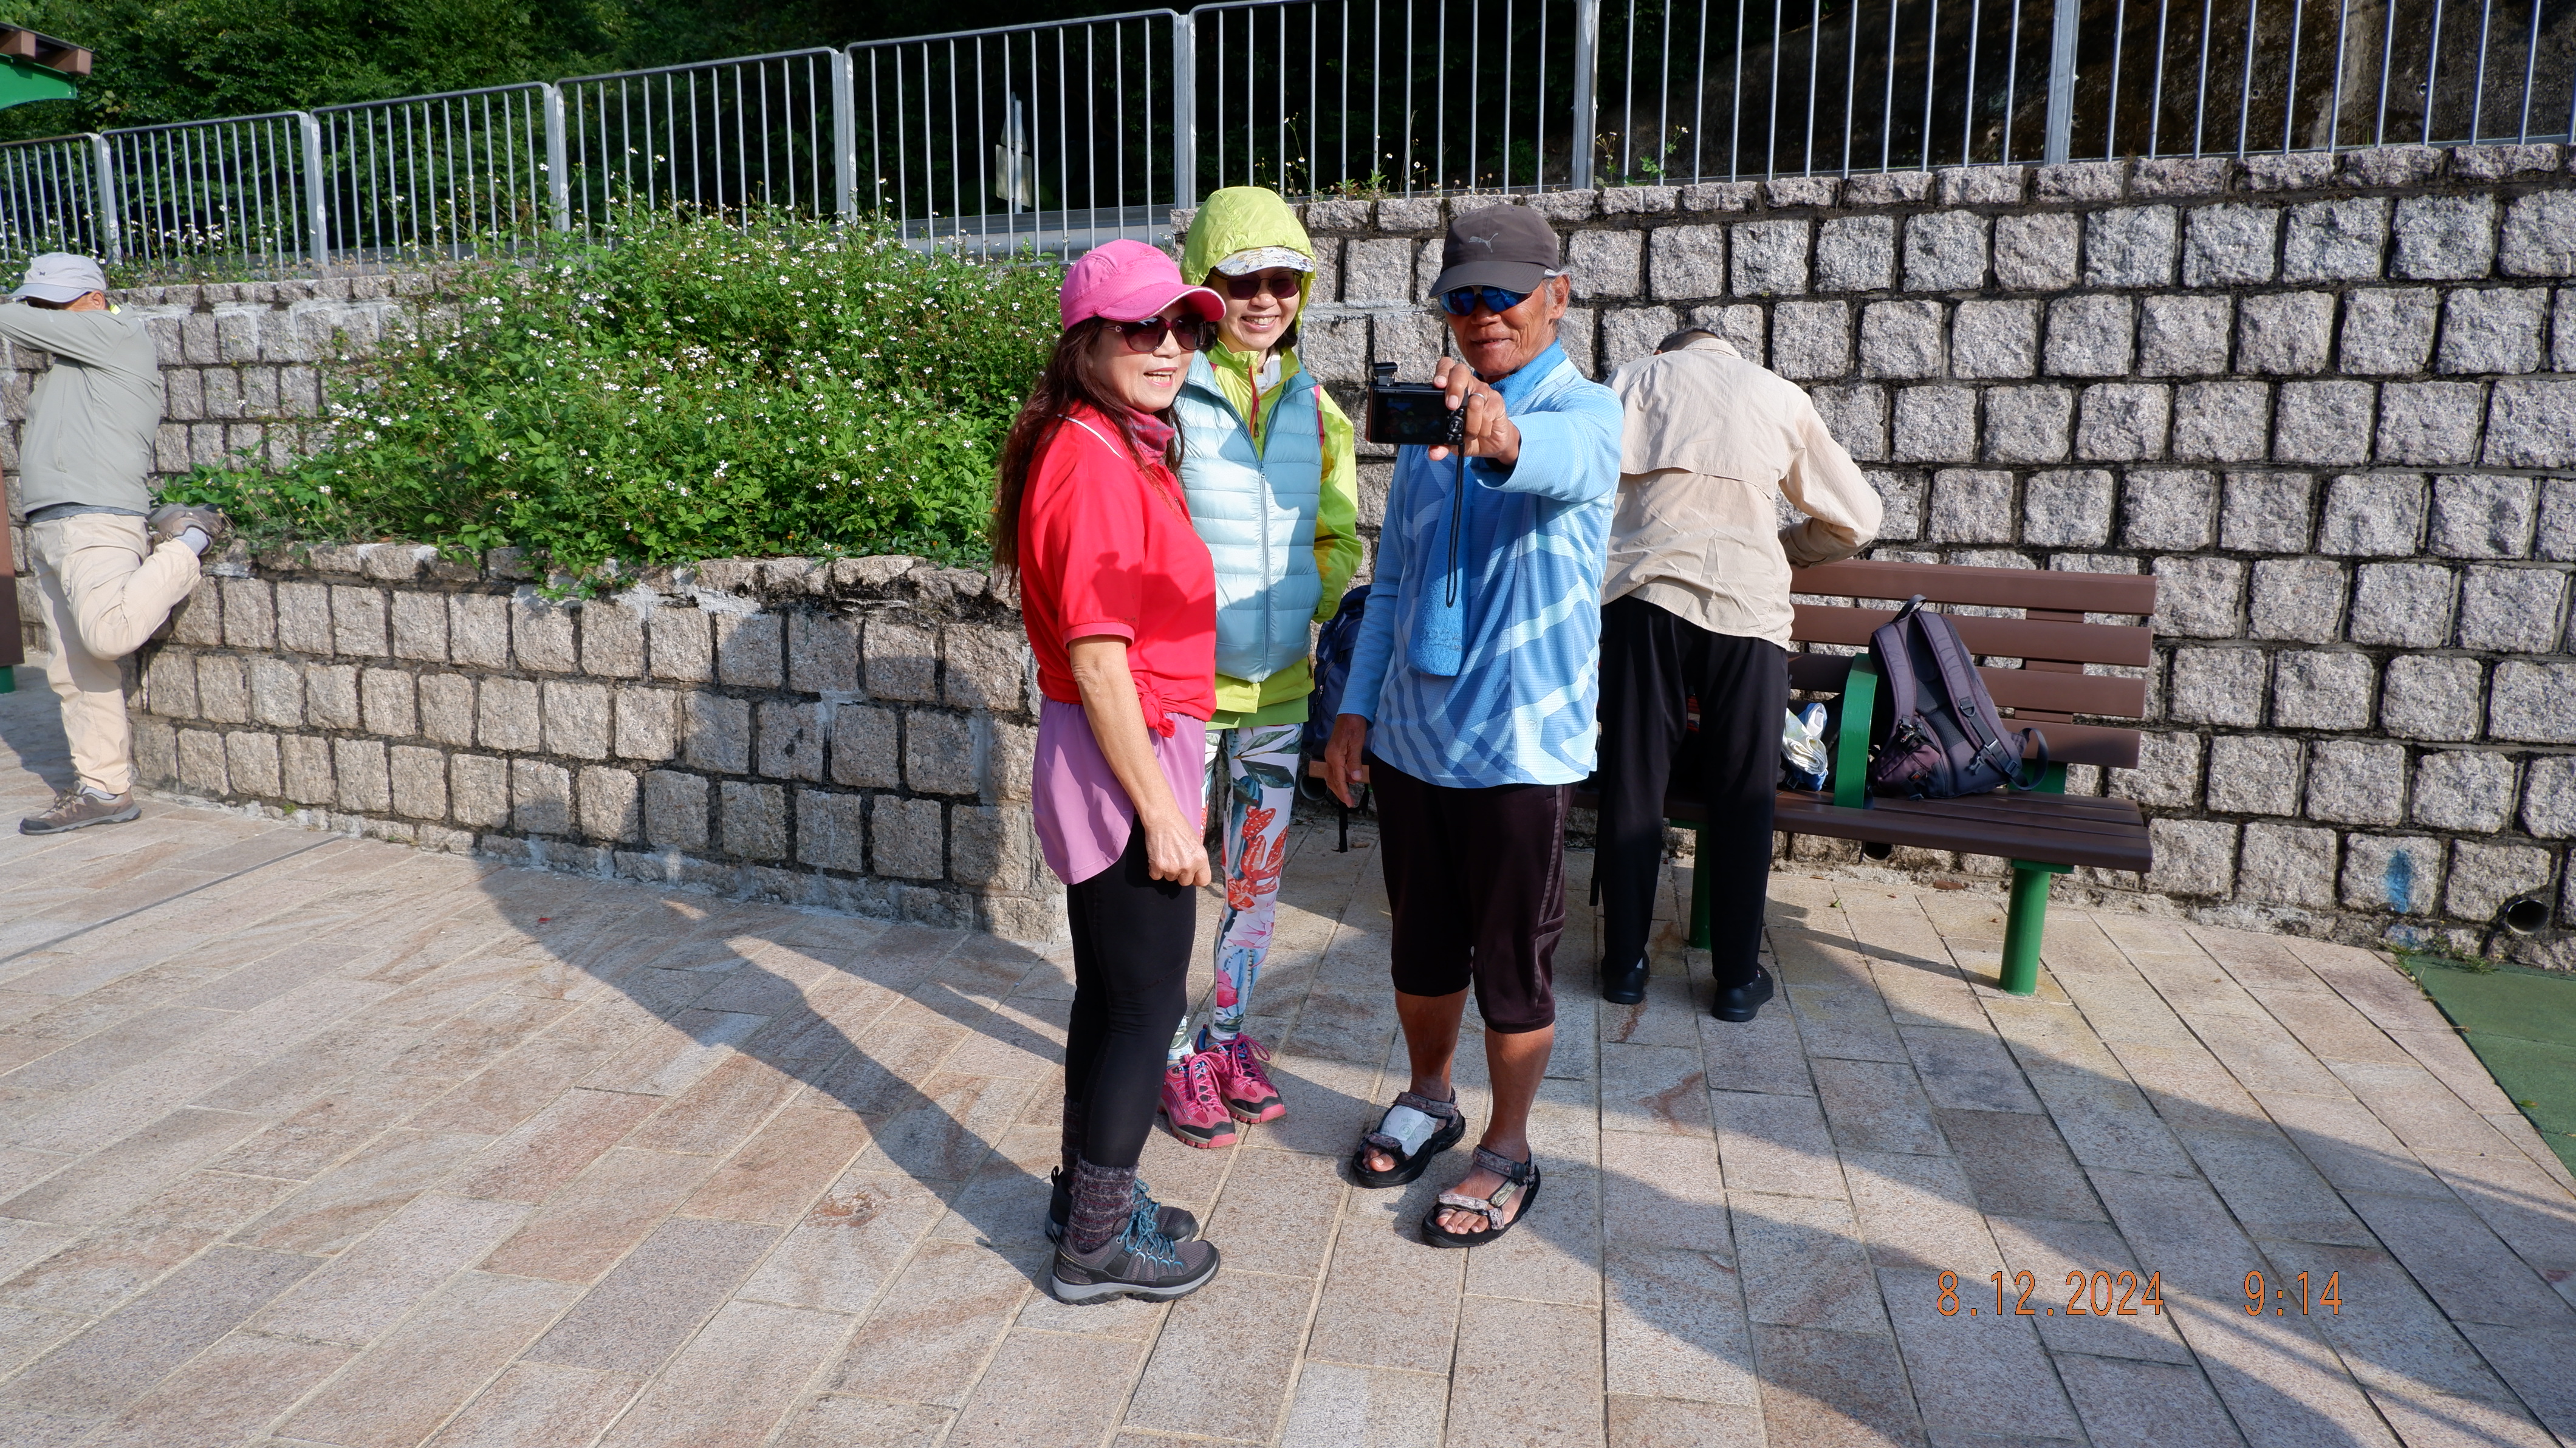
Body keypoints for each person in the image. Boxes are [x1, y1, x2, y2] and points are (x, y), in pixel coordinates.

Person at [1322, 206, 1620, 1247]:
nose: (1482, 314)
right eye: (1462, 299)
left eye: (1503, 295)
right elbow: (1393, 582)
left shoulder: (1588, 411)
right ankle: (1430, 1094)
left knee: (1513, 960)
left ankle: (1510, 1144)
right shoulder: (1426, 423)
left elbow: (1555, 458)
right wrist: (1354, 709)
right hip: (1413, 735)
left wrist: (1495, 433)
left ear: (1557, 296)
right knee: (1420, 943)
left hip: (1519, 745)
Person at [991, 239, 1226, 1304]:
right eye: (1142, 327)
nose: (1169, 346)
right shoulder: (1093, 460)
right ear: (1084, 343)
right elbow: (1096, 658)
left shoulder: (1112, 443)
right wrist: (1164, 814)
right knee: (1145, 1006)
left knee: (1112, 994)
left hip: (1119, 745)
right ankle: (1095, 1244)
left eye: (1184, 326)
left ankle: (1081, 1199)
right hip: (1124, 756)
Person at [1596, 327, 1880, 1019]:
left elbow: (1584, 495)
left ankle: (1624, 966)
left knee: (1634, 780)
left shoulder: (1630, 382)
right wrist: (1784, 548)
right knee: (1744, 794)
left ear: (1665, 354)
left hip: (1645, 601)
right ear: (1727, 352)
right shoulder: (1777, 395)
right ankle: (1734, 980)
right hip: (1748, 613)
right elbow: (1858, 518)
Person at [1160, 186, 1364, 1147]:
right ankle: (1169, 1053)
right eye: (1242, 280)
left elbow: (1339, 530)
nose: (1264, 299)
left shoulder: (1317, 407)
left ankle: (1227, 1036)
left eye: (1284, 281)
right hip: (1183, 696)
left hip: (1278, 692)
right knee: (1166, 883)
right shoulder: (1167, 392)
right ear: (1204, 283)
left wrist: (1311, 598)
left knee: (1256, 884)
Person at [3, 253, 227, 835]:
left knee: (109, 635)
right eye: (36, 304)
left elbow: (8, 321)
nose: (41, 315)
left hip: (97, 518)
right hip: (51, 525)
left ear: (95, 301)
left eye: (52, 305)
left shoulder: (116, 334)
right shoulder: (72, 359)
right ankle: (104, 790)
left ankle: (190, 539)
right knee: (74, 672)